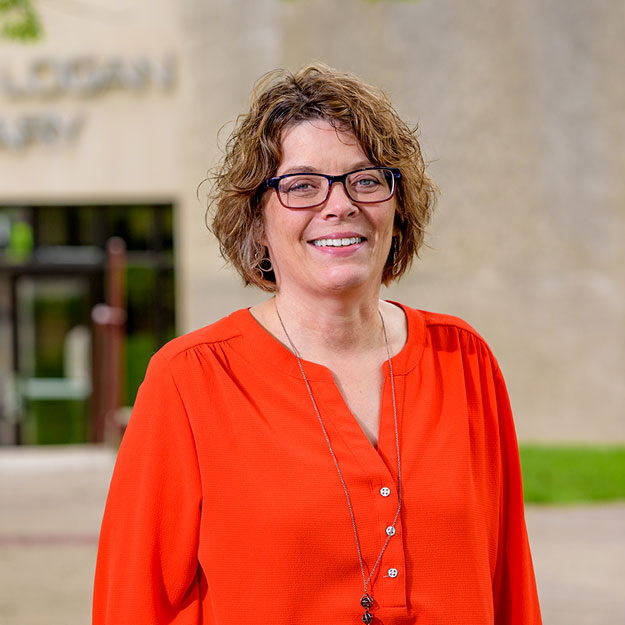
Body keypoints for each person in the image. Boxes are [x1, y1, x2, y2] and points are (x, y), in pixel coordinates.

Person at [93, 64, 542, 625]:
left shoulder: (464, 360)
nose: (339, 204)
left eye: (366, 179)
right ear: (257, 219)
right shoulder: (190, 379)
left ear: (397, 208)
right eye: (301, 184)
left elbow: (511, 592)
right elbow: (131, 604)